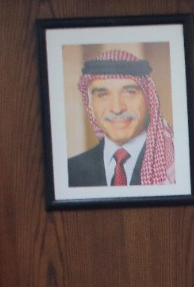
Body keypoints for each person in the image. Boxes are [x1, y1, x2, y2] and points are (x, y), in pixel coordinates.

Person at [67, 50, 176, 187]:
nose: (117, 108)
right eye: (103, 95)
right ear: (90, 106)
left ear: (149, 100)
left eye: (129, 92)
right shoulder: (69, 171)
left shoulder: (175, 166)